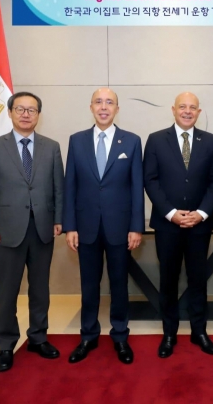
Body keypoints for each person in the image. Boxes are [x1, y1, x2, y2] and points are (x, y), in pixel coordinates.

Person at [0, 92, 65, 372]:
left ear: (39, 114)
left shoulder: (51, 147)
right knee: (7, 290)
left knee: (40, 289)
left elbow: (58, 188)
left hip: (42, 229)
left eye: (32, 110)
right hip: (6, 231)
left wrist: (59, 219)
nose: (26, 114)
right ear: (10, 112)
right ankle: (5, 344)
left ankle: (38, 338)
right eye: (20, 109)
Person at [64, 88, 144, 365]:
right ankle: (88, 335)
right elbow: (70, 185)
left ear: (117, 109)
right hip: (85, 226)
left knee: (119, 284)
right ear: (91, 107)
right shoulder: (76, 141)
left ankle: (120, 335)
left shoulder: (132, 142)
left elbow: (136, 187)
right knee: (89, 284)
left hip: (120, 227)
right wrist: (69, 226)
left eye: (109, 102)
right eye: (98, 102)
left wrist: (136, 227)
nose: (104, 107)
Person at [143, 92, 213, 358]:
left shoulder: (211, 141)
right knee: (168, 279)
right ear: (173, 110)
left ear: (199, 112)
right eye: (182, 107)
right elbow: (150, 180)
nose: (187, 111)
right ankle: (169, 333)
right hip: (168, 225)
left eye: (193, 108)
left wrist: (201, 213)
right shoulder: (155, 140)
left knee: (198, 279)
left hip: (199, 224)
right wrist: (171, 213)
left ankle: (199, 331)